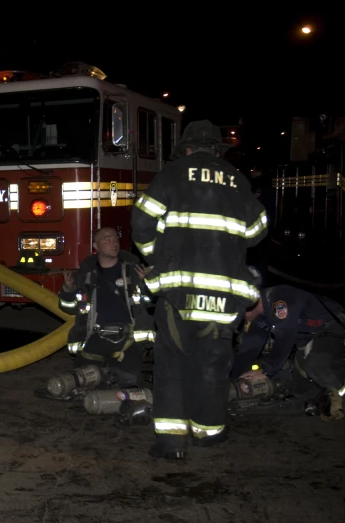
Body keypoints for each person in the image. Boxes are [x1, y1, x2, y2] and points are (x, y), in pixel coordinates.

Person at [131, 120, 268, 461]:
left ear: (188, 149)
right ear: (217, 149)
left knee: (171, 366)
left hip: (177, 293)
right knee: (211, 364)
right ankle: (208, 433)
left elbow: (141, 223)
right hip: (223, 296)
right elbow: (258, 230)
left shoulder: (173, 174)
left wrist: (158, 257)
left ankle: (171, 444)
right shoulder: (238, 181)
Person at [42, 227, 155, 398]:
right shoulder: (85, 275)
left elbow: (149, 303)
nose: (113, 242)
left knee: (128, 386)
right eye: (107, 239)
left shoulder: (133, 270)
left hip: (127, 340)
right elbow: (69, 307)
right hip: (94, 339)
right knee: (81, 384)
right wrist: (68, 289)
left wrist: (149, 283)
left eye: (115, 239)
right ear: (96, 246)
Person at [232, 284, 345, 420]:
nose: (241, 318)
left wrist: (265, 371)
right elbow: (247, 351)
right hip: (310, 339)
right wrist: (233, 379)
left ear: (250, 304)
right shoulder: (259, 317)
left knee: (315, 364)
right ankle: (324, 395)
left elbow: (285, 336)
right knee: (299, 390)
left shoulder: (279, 299)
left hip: (334, 328)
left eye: (240, 313)